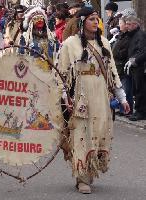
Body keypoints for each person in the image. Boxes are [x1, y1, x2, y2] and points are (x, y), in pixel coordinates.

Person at [57, 7, 130, 194]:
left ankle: (90, 172)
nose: (95, 22)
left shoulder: (104, 42)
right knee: (82, 136)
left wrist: (122, 98)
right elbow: (61, 74)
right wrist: (65, 98)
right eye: (91, 19)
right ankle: (81, 178)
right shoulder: (69, 45)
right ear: (81, 22)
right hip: (81, 98)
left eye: (97, 19)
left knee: (98, 134)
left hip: (101, 97)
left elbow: (112, 72)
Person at [124, 15, 146, 121]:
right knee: (136, 90)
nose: (126, 26)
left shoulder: (140, 35)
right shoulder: (133, 35)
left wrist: (134, 60)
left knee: (139, 89)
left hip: (140, 67)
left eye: (129, 24)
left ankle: (140, 112)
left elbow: (142, 51)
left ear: (135, 25)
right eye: (126, 24)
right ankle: (139, 111)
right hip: (135, 66)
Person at [112, 17, 133, 116]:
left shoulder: (128, 37)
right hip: (117, 64)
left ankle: (127, 109)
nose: (119, 25)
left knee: (125, 88)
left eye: (121, 23)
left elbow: (125, 50)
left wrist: (118, 53)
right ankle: (121, 109)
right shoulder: (120, 35)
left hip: (122, 64)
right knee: (120, 86)